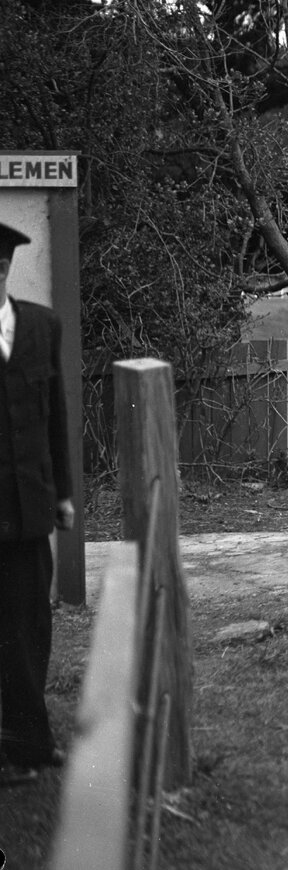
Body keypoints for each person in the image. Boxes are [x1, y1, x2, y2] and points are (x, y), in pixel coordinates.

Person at [0, 221, 73, 786]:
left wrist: (65, 494)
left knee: (29, 626)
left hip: (27, 512)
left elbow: (56, 420)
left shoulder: (41, 327)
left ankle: (29, 742)